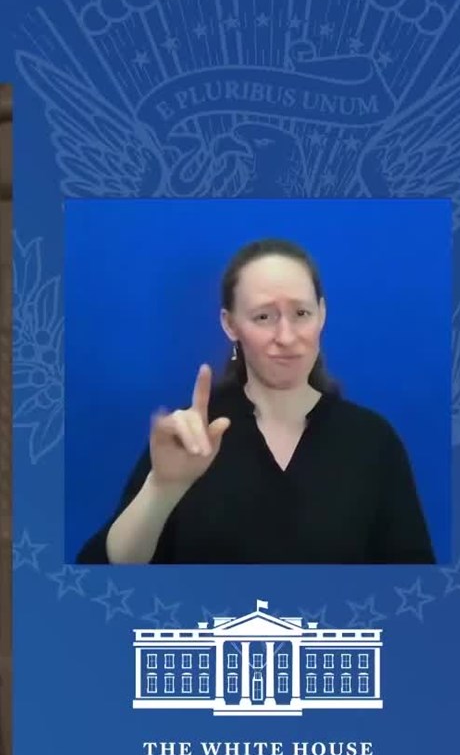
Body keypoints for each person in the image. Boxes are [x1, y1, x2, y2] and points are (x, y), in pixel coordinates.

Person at [75, 237, 434, 565]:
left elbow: (416, 586)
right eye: (263, 316)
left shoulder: (372, 440)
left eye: (301, 313)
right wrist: (162, 489)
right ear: (230, 324)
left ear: (322, 314)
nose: (286, 336)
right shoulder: (192, 438)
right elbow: (101, 574)